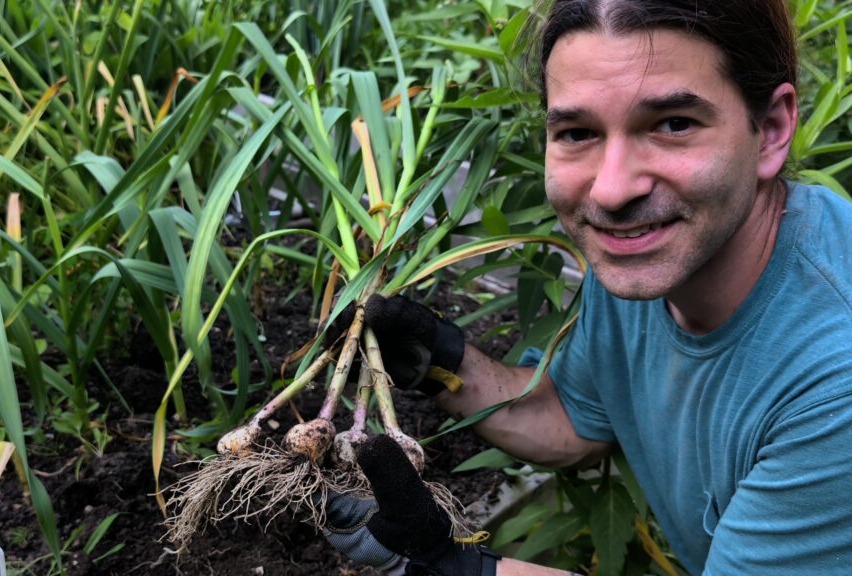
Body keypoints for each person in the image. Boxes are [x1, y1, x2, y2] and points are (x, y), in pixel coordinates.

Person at [324, 0, 852, 574]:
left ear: (771, 130)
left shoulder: (835, 385)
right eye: (577, 132)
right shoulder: (658, 253)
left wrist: (448, 568)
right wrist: (442, 363)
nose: (611, 189)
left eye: (674, 124)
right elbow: (578, 421)